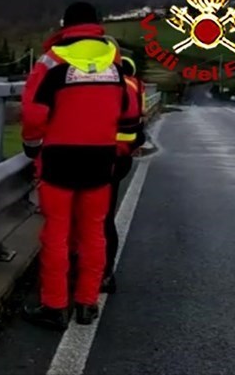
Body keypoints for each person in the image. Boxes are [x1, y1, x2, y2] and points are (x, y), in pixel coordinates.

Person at [20, 1, 131, 330]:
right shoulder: (114, 61)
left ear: (64, 25)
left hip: (59, 158)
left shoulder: (52, 60)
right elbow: (124, 107)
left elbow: (34, 112)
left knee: (56, 232)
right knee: (93, 231)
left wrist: (32, 145)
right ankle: (87, 303)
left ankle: (54, 306)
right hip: (100, 157)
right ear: (97, 25)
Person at [100, 55, 146, 293]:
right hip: (121, 156)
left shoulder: (111, 84)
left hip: (102, 155)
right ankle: (106, 274)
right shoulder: (134, 85)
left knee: (96, 218)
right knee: (105, 217)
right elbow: (139, 126)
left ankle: (94, 272)